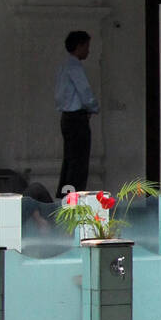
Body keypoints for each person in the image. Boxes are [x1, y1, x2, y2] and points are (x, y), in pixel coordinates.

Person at [54, 30, 99, 197]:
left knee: (70, 159)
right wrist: (94, 107)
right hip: (77, 118)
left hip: (66, 117)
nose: (88, 50)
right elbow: (85, 91)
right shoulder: (74, 66)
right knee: (79, 163)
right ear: (79, 46)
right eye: (86, 46)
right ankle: (74, 198)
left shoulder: (63, 66)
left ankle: (65, 195)